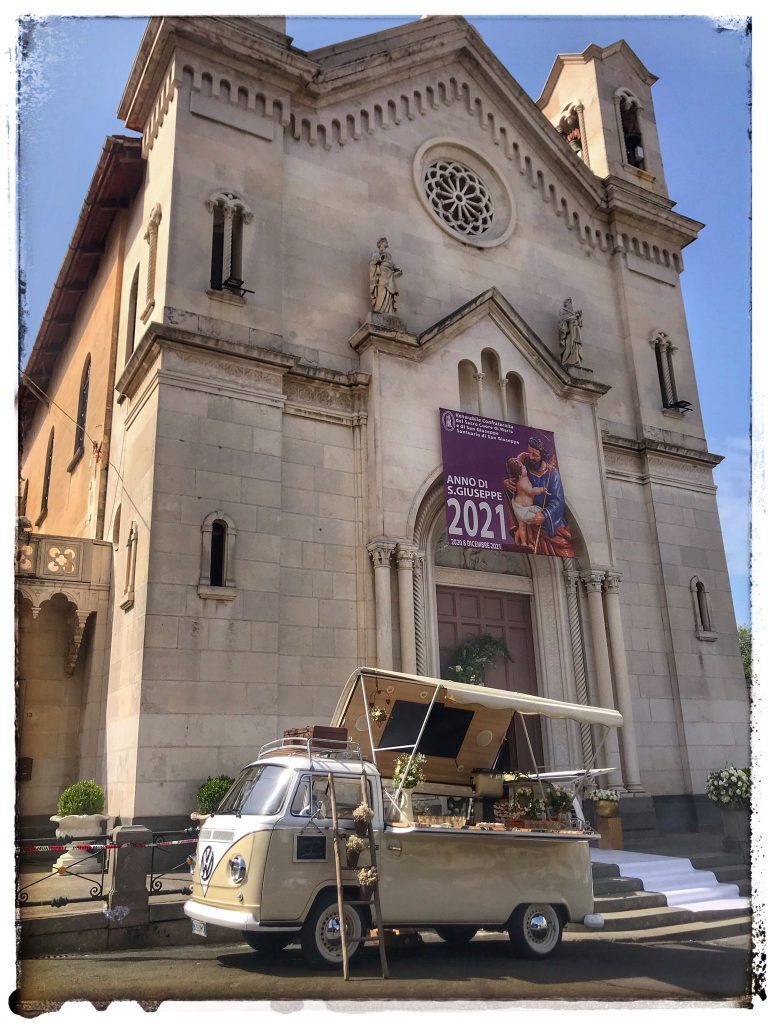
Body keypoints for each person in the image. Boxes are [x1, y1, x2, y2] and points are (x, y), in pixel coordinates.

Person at [517, 437, 575, 557]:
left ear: (542, 456)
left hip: (548, 521)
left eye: (535, 455)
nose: (531, 457)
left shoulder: (552, 474)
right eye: (530, 453)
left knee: (564, 548)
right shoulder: (525, 467)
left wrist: (544, 516)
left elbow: (558, 501)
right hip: (529, 515)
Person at [502, 458, 549, 550]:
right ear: (519, 474)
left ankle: (517, 535)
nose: (525, 467)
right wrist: (541, 490)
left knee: (525, 523)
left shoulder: (523, 477)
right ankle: (523, 543)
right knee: (522, 525)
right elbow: (531, 491)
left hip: (526, 506)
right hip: (521, 508)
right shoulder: (523, 483)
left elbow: (520, 458)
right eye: (523, 468)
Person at [369, 237, 402, 314]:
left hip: (390, 275)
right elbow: (373, 263)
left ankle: (389, 311)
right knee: (382, 290)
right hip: (382, 275)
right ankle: (379, 309)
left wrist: (397, 269)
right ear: (380, 243)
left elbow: (393, 265)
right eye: (384, 241)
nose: (386, 243)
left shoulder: (389, 255)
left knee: (389, 293)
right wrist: (380, 257)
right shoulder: (376, 253)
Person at [558, 297, 583, 368]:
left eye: (570, 302)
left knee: (576, 346)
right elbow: (562, 320)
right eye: (568, 302)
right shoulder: (562, 310)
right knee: (569, 345)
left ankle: (576, 361)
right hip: (569, 332)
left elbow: (580, 324)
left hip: (576, 331)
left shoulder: (573, 312)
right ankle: (567, 360)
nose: (569, 303)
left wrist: (579, 317)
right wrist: (573, 317)